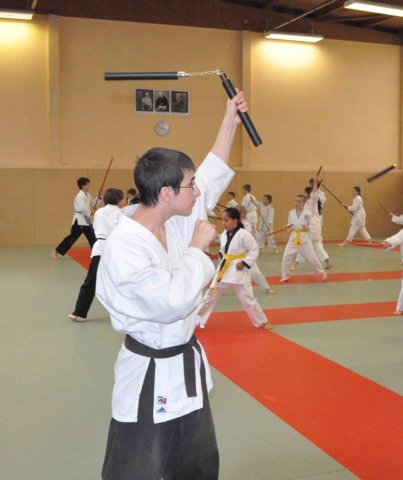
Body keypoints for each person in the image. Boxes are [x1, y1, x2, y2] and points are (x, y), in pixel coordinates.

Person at [95, 90, 247, 480]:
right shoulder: (124, 248)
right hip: (148, 373)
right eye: (189, 185)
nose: (198, 192)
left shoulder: (175, 217)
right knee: (135, 471)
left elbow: (212, 173)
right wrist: (198, 251)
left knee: (197, 466)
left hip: (185, 369)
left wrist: (230, 118)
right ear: (166, 194)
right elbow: (172, 302)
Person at [196, 207, 273, 329]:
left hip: (238, 270)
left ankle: (262, 321)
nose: (223, 223)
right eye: (223, 220)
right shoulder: (224, 235)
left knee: (247, 298)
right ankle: (196, 320)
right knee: (210, 295)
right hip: (224, 269)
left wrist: (244, 263)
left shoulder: (244, 234)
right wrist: (218, 254)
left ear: (236, 220)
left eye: (226, 220)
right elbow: (224, 251)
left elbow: (254, 250)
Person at [68, 188, 124, 322]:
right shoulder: (121, 213)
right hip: (114, 248)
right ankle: (127, 312)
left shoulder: (99, 212)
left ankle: (78, 311)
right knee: (122, 281)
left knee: (90, 281)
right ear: (118, 200)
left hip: (100, 247)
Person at [281, 194, 327, 282]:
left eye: (299, 201)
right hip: (294, 238)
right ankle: (285, 276)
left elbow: (311, 226)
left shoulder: (308, 213)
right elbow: (290, 226)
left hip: (304, 239)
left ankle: (321, 273)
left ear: (304, 203)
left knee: (312, 258)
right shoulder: (291, 213)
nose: (297, 203)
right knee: (286, 257)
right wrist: (286, 227)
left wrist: (307, 228)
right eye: (296, 201)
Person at [51, 176, 97, 259]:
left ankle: (96, 255)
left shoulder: (88, 195)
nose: (89, 186)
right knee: (71, 238)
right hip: (79, 221)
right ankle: (56, 251)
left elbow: (93, 203)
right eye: (87, 185)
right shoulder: (80, 196)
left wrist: (99, 197)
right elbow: (83, 208)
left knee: (93, 237)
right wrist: (91, 213)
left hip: (86, 222)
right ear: (83, 186)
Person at [236, 205, 274, 294]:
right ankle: (215, 289)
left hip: (245, 253)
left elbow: (245, 236)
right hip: (233, 254)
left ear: (242, 215)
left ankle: (266, 288)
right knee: (223, 272)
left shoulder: (247, 225)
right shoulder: (232, 223)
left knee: (255, 272)